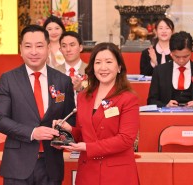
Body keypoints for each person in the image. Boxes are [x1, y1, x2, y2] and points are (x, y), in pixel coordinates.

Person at [0, 25, 75, 185]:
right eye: (28, 46)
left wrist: (63, 135)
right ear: (21, 49)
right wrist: (32, 132)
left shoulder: (63, 81)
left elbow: (71, 119)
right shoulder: (8, 80)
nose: (34, 52)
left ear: (49, 47)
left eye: (39, 46)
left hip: (51, 165)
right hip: (17, 165)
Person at [54, 42, 140, 185]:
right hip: (88, 172)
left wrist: (88, 147)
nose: (103, 67)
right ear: (92, 68)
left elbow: (126, 139)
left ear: (119, 67)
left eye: (109, 62)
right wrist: (69, 130)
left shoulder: (128, 98)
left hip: (117, 174)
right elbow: (84, 134)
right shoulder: (83, 96)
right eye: (98, 62)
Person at [147, 31, 193, 109]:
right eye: (177, 57)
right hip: (168, 117)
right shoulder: (160, 71)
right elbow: (151, 101)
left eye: (185, 56)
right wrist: (165, 106)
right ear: (171, 52)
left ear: (192, 50)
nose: (181, 60)